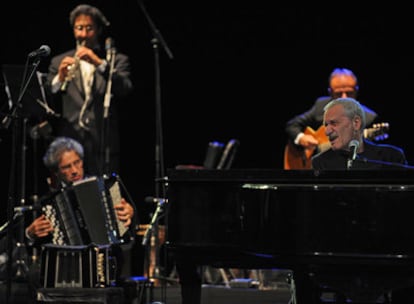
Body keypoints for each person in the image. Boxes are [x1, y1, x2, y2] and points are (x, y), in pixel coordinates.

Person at [24, 136, 137, 302]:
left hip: (104, 260)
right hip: (68, 266)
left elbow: (129, 231)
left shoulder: (105, 189)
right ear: (56, 171)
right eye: (67, 167)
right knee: (35, 274)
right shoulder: (47, 203)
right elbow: (39, 245)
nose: (75, 170)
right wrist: (30, 233)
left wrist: (129, 214)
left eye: (77, 163)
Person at [46, 4, 133, 176]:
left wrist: (100, 64)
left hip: (103, 143)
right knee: (73, 196)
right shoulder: (59, 61)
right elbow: (46, 96)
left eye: (89, 28)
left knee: (107, 194)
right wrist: (60, 79)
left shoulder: (115, 60)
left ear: (99, 30)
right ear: (73, 30)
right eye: (79, 28)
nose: (83, 35)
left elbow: (125, 88)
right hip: (71, 144)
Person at [284, 67, 384, 170]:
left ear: (357, 90)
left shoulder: (369, 118)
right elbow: (292, 125)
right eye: (338, 93)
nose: (344, 98)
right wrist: (302, 138)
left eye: (349, 93)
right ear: (330, 92)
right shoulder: (320, 106)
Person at [311, 97, 407, 170]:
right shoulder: (320, 163)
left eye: (334, 123)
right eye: (326, 125)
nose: (327, 132)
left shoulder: (391, 157)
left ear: (356, 123)